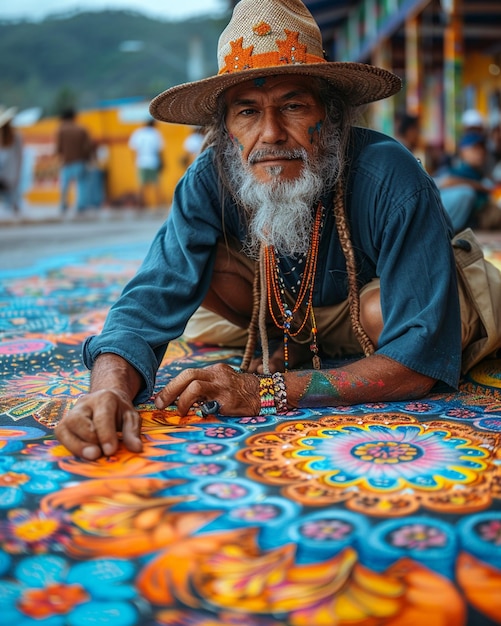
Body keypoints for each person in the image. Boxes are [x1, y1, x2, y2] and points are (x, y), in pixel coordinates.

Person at [55, 0, 501, 461]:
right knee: (204, 266)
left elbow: (415, 360)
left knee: (380, 312)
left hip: (379, 310)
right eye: (247, 111)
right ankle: (303, 347)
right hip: (295, 316)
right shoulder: (209, 178)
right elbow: (149, 298)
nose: (270, 133)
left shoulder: (390, 174)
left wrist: (264, 390)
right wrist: (109, 391)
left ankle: (315, 353)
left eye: (292, 106)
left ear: (330, 117)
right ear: (226, 130)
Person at [436, 130, 500, 232]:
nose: (480, 152)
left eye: (482, 147)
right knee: (466, 193)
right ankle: (446, 233)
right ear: (463, 151)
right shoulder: (454, 170)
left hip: (472, 222)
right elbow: (445, 182)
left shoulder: (481, 174)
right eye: (475, 148)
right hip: (443, 220)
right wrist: (481, 187)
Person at [56, 107, 93, 215]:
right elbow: (88, 146)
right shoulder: (81, 129)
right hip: (80, 161)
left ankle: (63, 205)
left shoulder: (61, 130)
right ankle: (81, 206)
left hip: (66, 162)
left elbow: (59, 148)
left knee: (64, 186)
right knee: (81, 185)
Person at [128, 118, 164, 208]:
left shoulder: (138, 133)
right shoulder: (155, 134)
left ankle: (140, 205)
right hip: (153, 161)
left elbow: (133, 149)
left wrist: (135, 161)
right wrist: (162, 162)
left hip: (141, 162)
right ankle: (158, 205)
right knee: (156, 185)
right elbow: (159, 150)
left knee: (141, 185)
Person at [0, 106, 23, 216]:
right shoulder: (16, 136)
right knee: (11, 198)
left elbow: (19, 156)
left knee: (11, 197)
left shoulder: (16, 137)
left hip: (9, 171)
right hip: (11, 171)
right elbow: (19, 157)